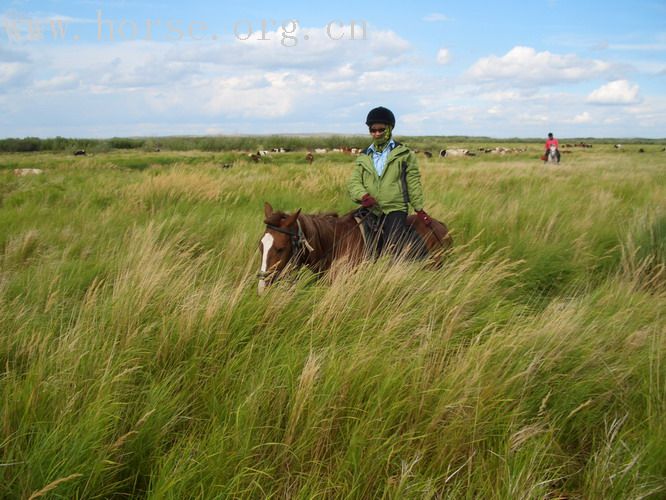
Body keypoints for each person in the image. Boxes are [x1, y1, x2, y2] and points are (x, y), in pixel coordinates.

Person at [347, 106, 432, 256]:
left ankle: (410, 266)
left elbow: (413, 182)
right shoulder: (364, 155)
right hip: (370, 207)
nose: (377, 133)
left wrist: (419, 208)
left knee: (394, 246)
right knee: (351, 237)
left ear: (390, 128)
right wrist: (363, 196)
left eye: (381, 129)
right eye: (373, 130)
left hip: (395, 208)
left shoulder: (404, 154)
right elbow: (354, 181)